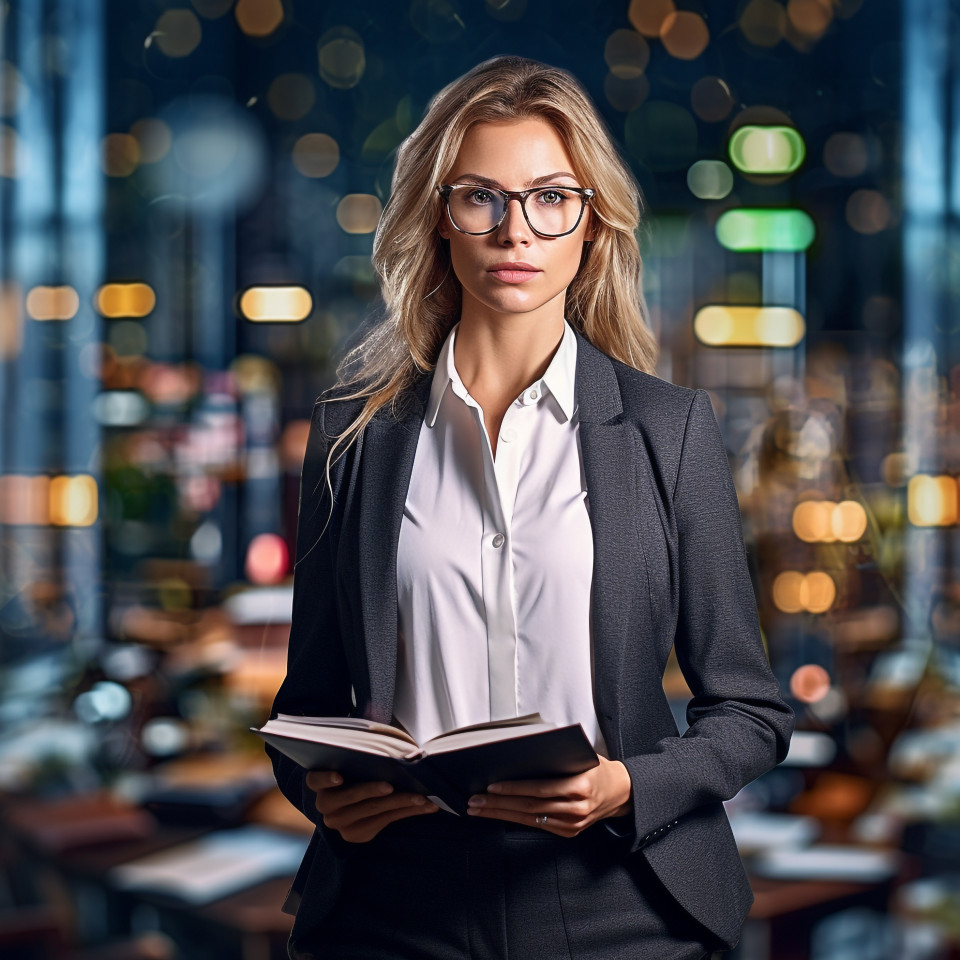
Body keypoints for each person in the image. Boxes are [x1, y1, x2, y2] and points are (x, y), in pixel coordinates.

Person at [266, 55, 795, 960]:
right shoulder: (353, 438)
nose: (516, 231)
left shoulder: (669, 430)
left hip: (619, 902)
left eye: (551, 198)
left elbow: (749, 712)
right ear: (440, 217)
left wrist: (627, 784)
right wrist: (324, 794)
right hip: (396, 908)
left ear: (592, 224)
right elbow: (308, 705)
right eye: (482, 197)